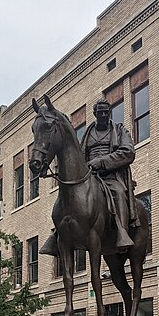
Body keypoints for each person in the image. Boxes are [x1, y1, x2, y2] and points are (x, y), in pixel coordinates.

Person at [40, 98, 138, 256]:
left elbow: (128, 152)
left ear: (110, 112)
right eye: (100, 112)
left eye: (106, 112)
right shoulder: (88, 134)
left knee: (119, 192)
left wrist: (102, 162)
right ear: (95, 114)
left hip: (111, 176)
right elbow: (77, 156)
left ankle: (122, 233)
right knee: (68, 200)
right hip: (89, 176)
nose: (104, 115)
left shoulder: (119, 130)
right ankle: (58, 234)